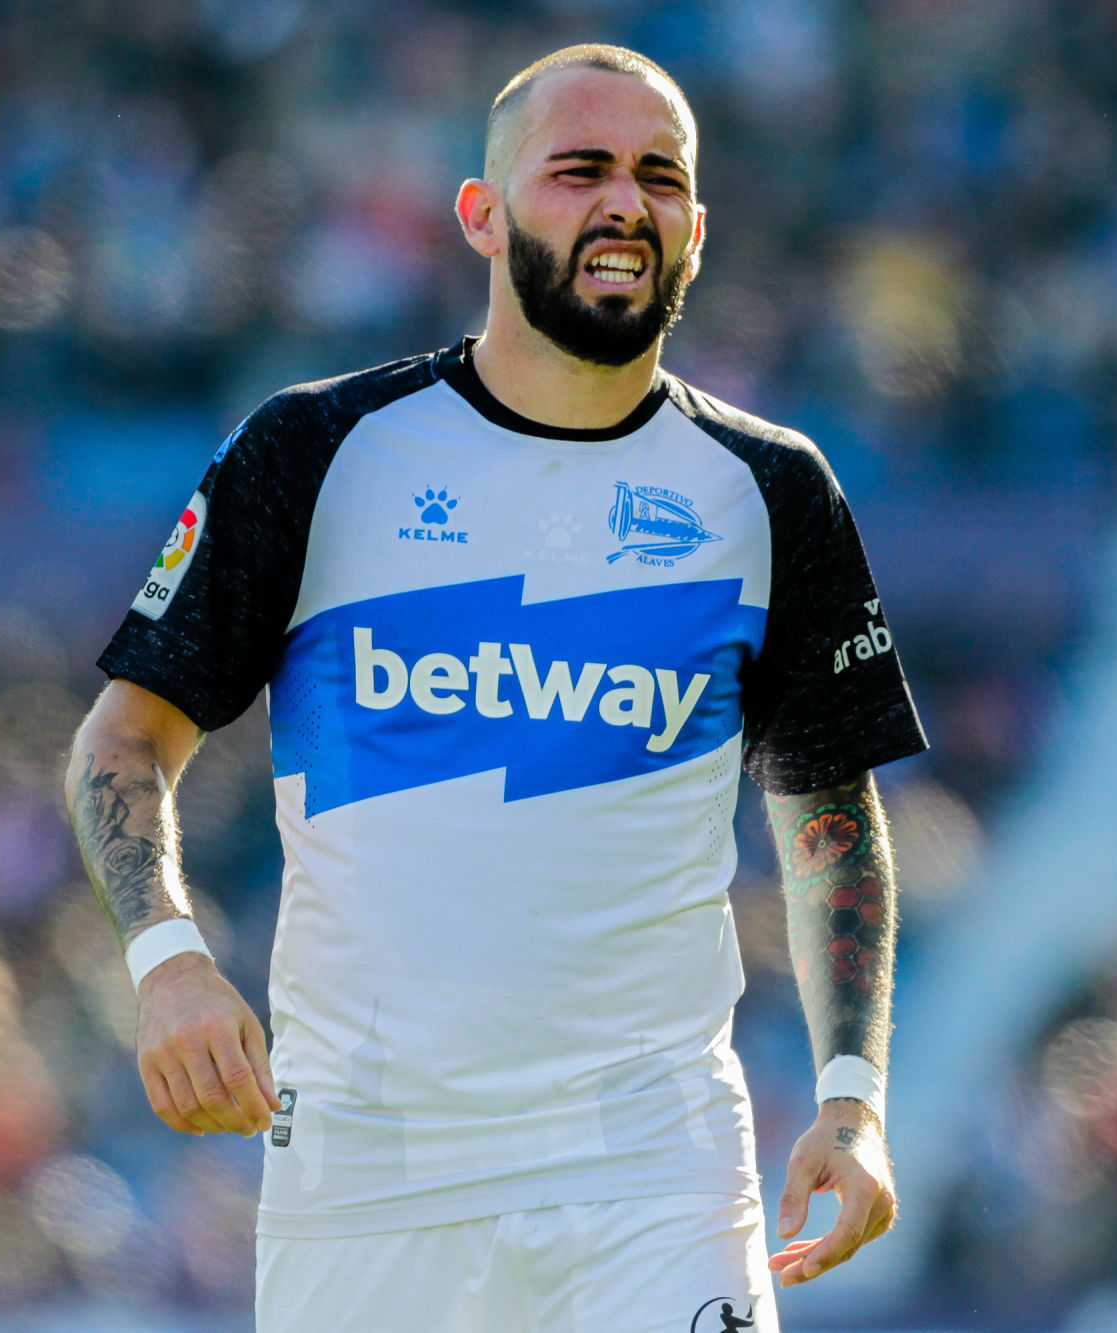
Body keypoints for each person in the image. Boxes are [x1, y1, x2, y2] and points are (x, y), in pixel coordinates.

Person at [66, 43, 927, 1332]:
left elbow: (830, 815)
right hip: (366, 1166)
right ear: (481, 214)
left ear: (697, 226)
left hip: (655, 1169)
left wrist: (852, 1101)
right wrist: (172, 964)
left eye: (659, 177)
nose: (623, 203)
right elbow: (124, 742)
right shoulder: (317, 450)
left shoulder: (770, 489)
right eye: (578, 170)